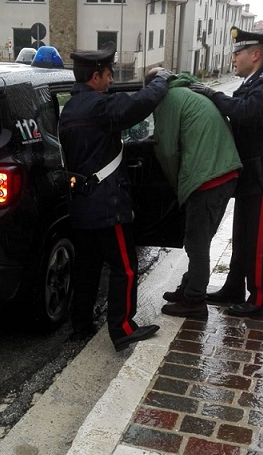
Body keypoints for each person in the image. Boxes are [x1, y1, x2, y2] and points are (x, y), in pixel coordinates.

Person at [59, 41, 174, 352]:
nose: (111, 81)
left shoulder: (70, 109)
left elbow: (95, 149)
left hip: (82, 204)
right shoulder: (99, 107)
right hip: (108, 204)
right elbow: (139, 104)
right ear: (95, 76)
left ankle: (81, 325)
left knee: (88, 267)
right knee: (124, 268)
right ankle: (122, 329)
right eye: (109, 74)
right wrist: (161, 80)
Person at [190, 26, 263, 318]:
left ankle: (260, 301)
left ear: (255, 54)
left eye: (237, 53)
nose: (233, 59)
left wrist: (211, 94)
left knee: (258, 240)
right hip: (252, 175)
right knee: (242, 236)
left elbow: (245, 112)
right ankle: (234, 288)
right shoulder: (253, 82)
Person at [144, 69, 242, 319]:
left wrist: (178, 186)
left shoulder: (168, 101)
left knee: (197, 242)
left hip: (207, 177)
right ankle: (189, 285)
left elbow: (166, 152)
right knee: (199, 238)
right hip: (225, 172)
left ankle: (194, 300)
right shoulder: (190, 91)